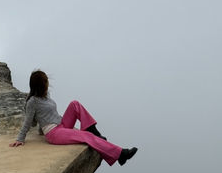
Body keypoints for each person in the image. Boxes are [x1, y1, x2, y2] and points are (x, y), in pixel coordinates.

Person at [9, 70, 138, 167]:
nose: (48, 84)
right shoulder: (32, 102)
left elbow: (48, 113)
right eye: (46, 82)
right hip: (54, 133)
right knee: (86, 136)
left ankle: (95, 132)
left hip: (62, 124)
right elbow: (28, 122)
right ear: (40, 86)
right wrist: (20, 138)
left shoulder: (46, 95)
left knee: (74, 104)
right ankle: (121, 154)